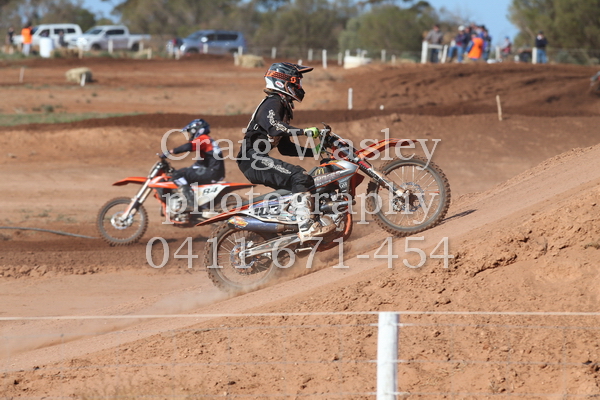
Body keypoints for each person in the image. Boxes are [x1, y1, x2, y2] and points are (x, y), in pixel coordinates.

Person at [236, 62, 335, 243]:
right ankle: (306, 227)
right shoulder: (273, 102)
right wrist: (304, 131)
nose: (299, 87)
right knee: (299, 176)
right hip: (252, 159)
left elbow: (285, 147)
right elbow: (274, 127)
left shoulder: (282, 106)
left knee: (304, 185)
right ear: (283, 82)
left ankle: (292, 230)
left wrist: (313, 151)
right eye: (296, 82)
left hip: (256, 159)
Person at [159, 119, 225, 212]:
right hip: (214, 171)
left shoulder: (204, 139)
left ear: (197, 130)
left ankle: (191, 203)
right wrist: (184, 170)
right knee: (182, 172)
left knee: (178, 175)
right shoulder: (207, 141)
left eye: (191, 132)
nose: (190, 134)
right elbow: (199, 164)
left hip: (212, 172)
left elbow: (188, 146)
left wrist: (171, 151)